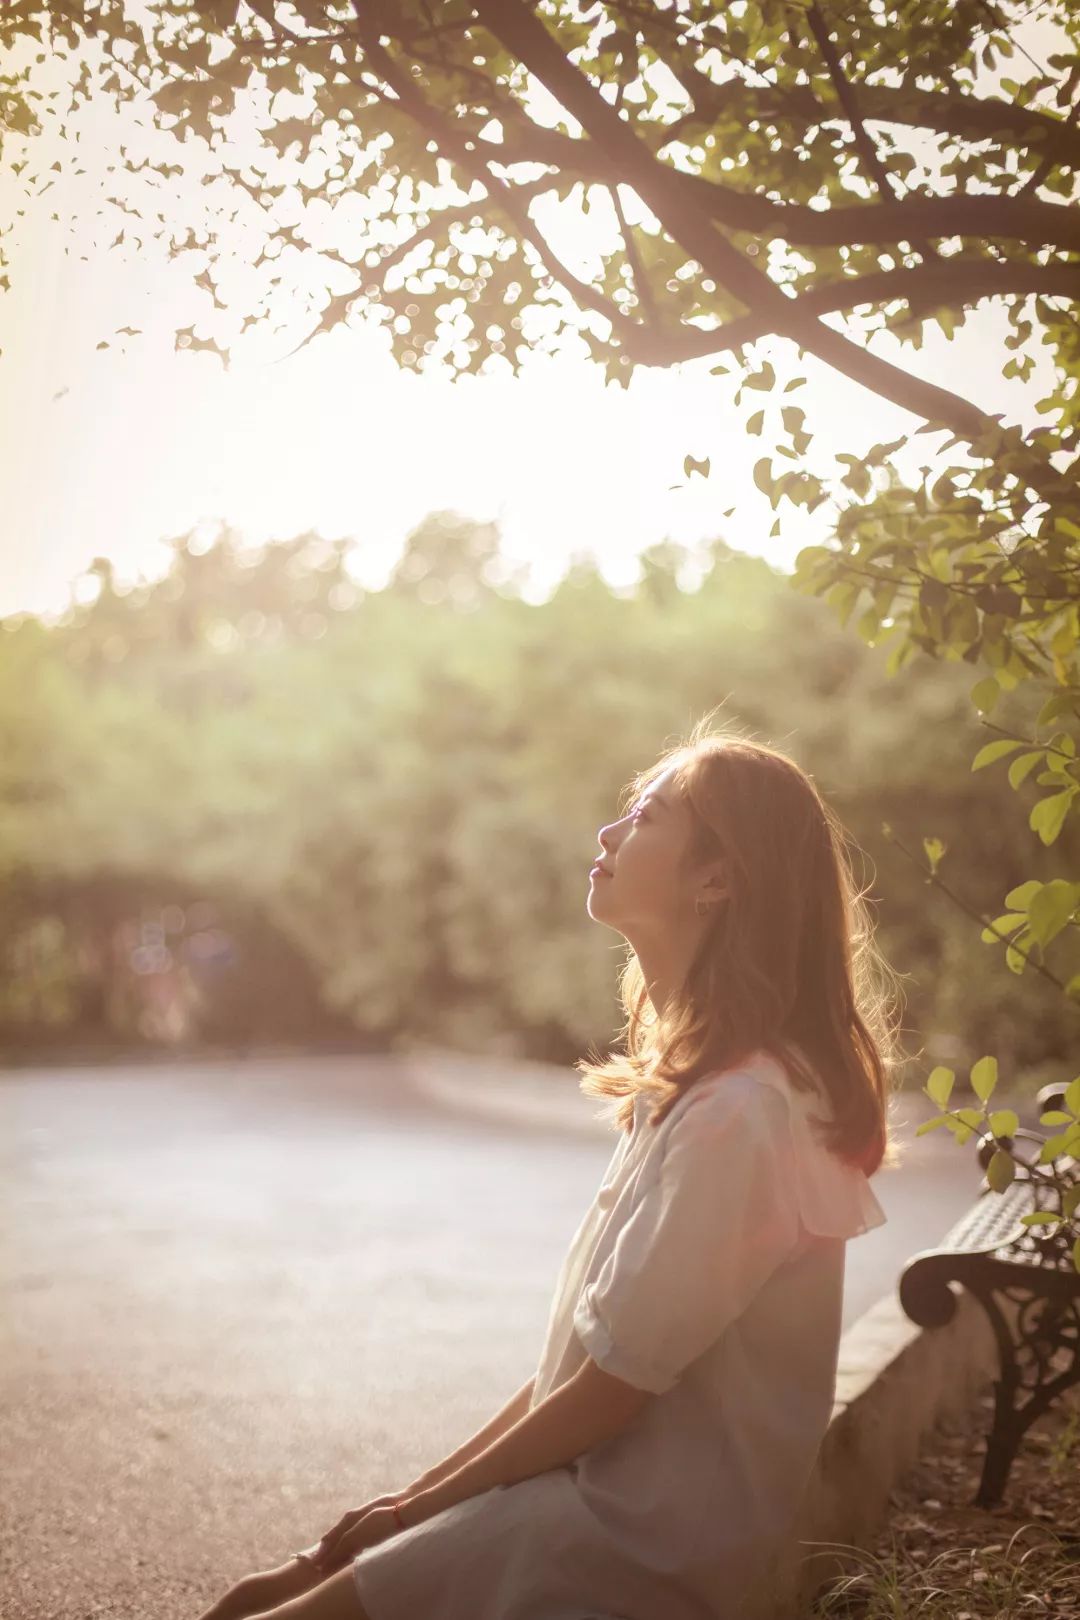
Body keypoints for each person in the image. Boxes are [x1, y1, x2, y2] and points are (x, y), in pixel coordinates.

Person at [194, 719, 901, 1620]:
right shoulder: (698, 1089)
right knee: (264, 1596)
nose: (609, 835)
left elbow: (608, 1394)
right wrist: (392, 1516)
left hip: (631, 1540)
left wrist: (410, 1517)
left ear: (718, 877)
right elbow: (589, 1367)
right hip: (586, 1498)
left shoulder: (741, 1113)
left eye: (647, 817)